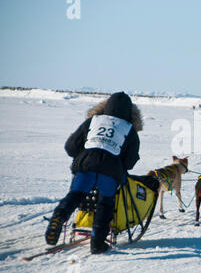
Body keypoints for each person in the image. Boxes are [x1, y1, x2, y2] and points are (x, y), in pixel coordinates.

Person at [45, 92, 142, 254]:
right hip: (110, 171)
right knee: (105, 204)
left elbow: (71, 146)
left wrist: (84, 156)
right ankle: (97, 242)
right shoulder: (129, 129)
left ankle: (59, 216)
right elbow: (130, 161)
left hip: (86, 165)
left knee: (75, 195)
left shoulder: (93, 121)